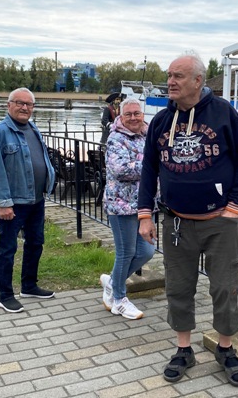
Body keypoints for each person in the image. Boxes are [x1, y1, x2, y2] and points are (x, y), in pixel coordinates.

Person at [138, 52, 238, 386]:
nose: (170, 82)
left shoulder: (224, 114)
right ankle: (183, 349)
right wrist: (144, 214)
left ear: (197, 80)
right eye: (169, 75)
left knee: (224, 288)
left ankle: (225, 348)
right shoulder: (161, 120)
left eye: (178, 76)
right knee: (178, 287)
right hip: (176, 222)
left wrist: (234, 207)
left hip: (220, 222)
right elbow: (149, 168)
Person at [0, 87, 56, 313]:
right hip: (13, 203)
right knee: (8, 248)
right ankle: (5, 295)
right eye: (19, 103)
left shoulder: (33, 129)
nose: (24, 107)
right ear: (9, 105)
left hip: (36, 200)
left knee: (35, 243)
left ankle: (29, 285)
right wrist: (3, 203)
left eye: (29, 104)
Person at [100, 98, 155, 320]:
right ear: (121, 117)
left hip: (144, 205)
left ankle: (112, 282)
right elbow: (120, 169)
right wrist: (153, 166)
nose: (133, 117)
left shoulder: (148, 135)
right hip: (121, 205)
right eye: (128, 114)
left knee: (146, 251)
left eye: (137, 113)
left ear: (143, 114)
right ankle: (119, 300)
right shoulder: (116, 138)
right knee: (126, 252)